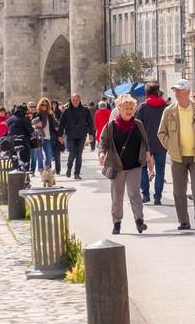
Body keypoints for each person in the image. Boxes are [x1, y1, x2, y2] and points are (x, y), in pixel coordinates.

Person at [157, 79, 195, 230]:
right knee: (178, 190)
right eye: (175, 91)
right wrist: (171, 147)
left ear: (188, 92)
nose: (176, 94)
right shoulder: (169, 111)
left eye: (179, 91)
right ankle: (183, 221)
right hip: (177, 156)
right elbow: (161, 133)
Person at [98, 95, 154, 235]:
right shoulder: (111, 126)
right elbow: (103, 142)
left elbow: (145, 142)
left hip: (135, 165)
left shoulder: (138, 124)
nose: (129, 111)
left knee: (135, 194)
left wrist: (148, 155)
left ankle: (139, 221)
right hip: (117, 167)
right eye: (126, 108)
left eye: (131, 108)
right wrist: (102, 153)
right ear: (119, 109)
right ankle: (117, 223)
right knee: (117, 196)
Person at [136, 83, 168, 205]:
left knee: (143, 169)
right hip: (161, 143)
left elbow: (137, 125)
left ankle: (145, 195)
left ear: (147, 93)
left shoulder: (143, 107)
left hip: (145, 144)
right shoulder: (165, 106)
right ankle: (158, 197)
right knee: (160, 171)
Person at [60, 93, 93, 180]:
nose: (75, 102)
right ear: (71, 100)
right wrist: (60, 135)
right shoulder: (66, 111)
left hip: (81, 135)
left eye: (76, 100)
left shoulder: (85, 110)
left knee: (79, 155)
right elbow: (61, 123)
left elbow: (90, 122)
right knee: (72, 154)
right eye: (73, 100)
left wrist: (91, 134)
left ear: (79, 100)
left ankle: (77, 173)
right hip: (70, 136)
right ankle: (69, 167)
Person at [5, 104, 36, 170]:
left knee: (14, 159)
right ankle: (26, 176)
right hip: (23, 142)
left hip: (12, 142)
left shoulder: (10, 118)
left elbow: (7, 127)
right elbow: (30, 130)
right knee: (25, 159)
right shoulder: (25, 119)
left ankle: (15, 173)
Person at [32, 96, 56, 171]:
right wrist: (35, 125)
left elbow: (54, 124)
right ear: (40, 105)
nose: (44, 106)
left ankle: (47, 167)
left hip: (48, 137)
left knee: (49, 156)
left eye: (46, 105)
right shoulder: (36, 114)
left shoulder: (50, 115)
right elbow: (32, 124)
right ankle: (41, 169)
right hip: (38, 137)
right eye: (42, 105)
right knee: (39, 156)